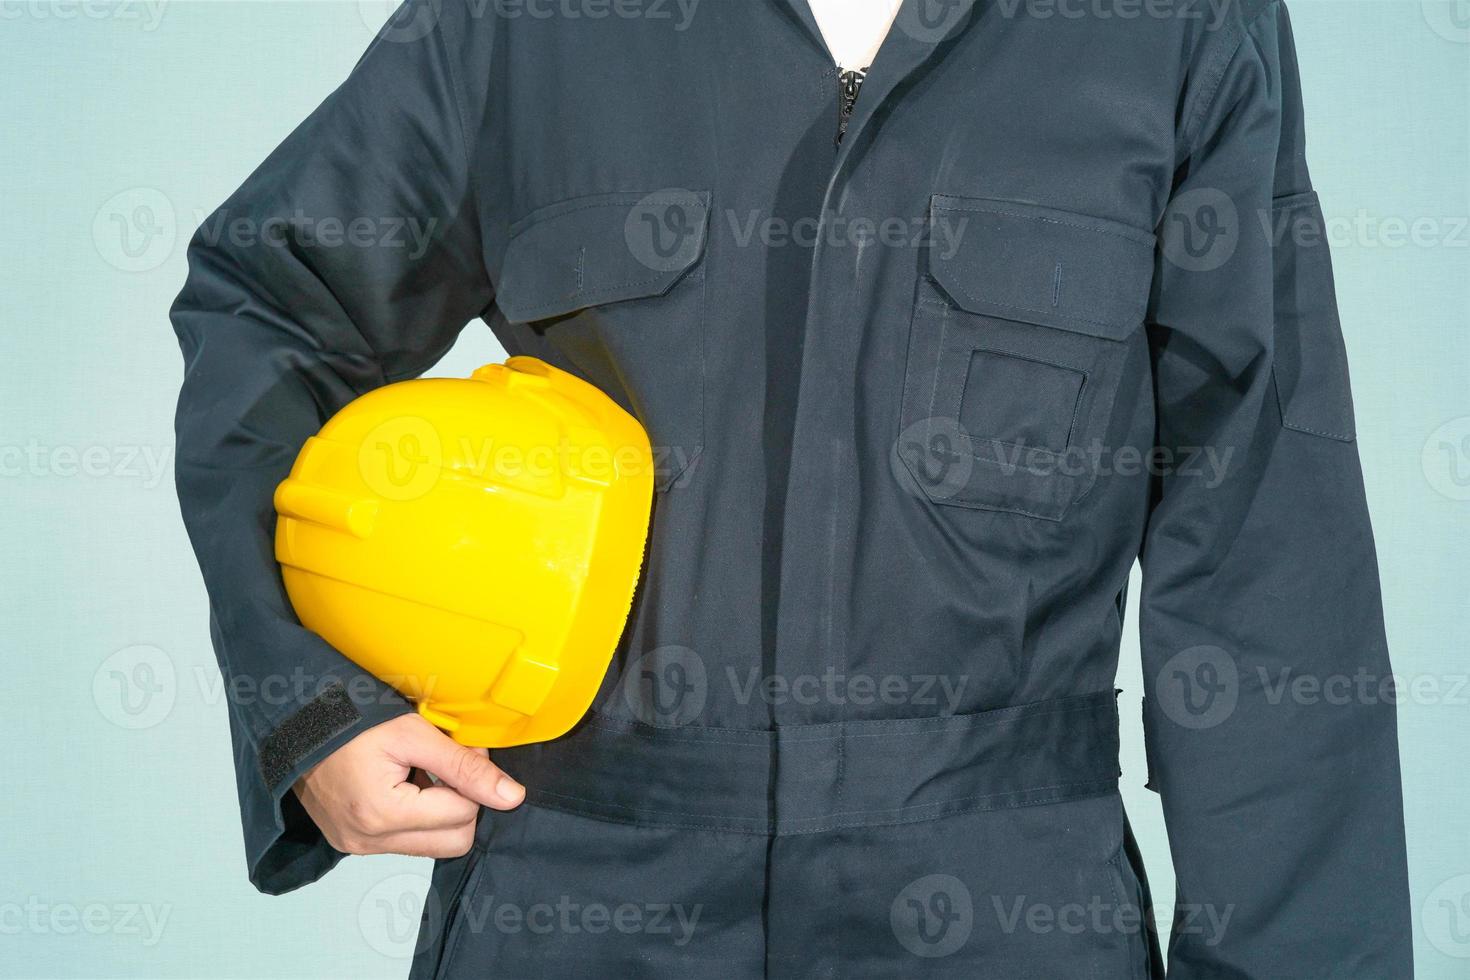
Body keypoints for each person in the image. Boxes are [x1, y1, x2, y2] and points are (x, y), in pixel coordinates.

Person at [170, 0, 1413, 976]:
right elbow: (268, 303)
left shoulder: (1179, 29)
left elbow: (1266, 539)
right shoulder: (530, 22)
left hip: (1009, 906)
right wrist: (310, 706)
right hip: (575, 892)